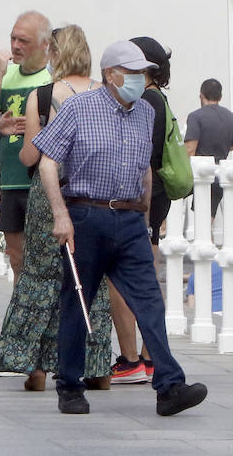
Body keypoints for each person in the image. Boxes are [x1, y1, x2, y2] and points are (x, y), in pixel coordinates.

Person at [36, 39, 207, 416]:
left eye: (143, 73)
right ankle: (69, 387)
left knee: (149, 300)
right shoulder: (79, 108)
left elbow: (145, 166)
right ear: (111, 74)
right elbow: (48, 163)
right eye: (133, 72)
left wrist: (146, 218)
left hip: (130, 218)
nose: (140, 79)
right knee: (77, 303)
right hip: (86, 215)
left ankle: (169, 386)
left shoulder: (146, 111)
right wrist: (61, 215)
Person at [0, 24, 113, 390]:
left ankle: (37, 369)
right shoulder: (105, 94)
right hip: (93, 194)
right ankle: (96, 367)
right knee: (94, 279)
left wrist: (18, 136)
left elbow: (31, 154)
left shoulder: (42, 96)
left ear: (55, 54)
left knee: (42, 276)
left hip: (50, 195)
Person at [105, 36, 176, 384]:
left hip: (141, 198)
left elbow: (139, 156)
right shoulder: (159, 99)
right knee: (149, 273)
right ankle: (149, 357)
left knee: (123, 276)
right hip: (157, 196)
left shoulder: (145, 102)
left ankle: (131, 357)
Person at [0, 11, 52, 278]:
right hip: (9, 181)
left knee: (44, 259)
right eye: (13, 38)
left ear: (45, 45)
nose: (16, 46)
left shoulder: (52, 80)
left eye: (24, 41)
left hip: (40, 181)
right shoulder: (6, 76)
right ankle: (21, 314)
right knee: (17, 259)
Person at [185, 78, 233, 218]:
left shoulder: (195, 117)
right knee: (207, 222)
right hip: (220, 175)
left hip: (199, 175)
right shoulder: (230, 117)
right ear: (220, 97)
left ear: (201, 95)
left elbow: (190, 149)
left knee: (199, 221)